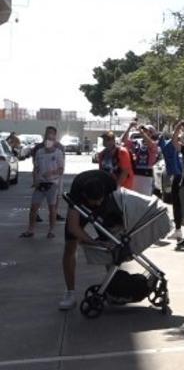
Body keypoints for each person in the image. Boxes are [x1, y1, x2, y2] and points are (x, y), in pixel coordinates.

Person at [58, 170, 122, 310]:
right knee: (70, 245)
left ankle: (114, 288)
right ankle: (70, 293)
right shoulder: (77, 192)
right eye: (95, 201)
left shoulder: (109, 184)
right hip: (81, 207)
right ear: (85, 196)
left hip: (107, 209)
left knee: (111, 245)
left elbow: (118, 206)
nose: (97, 204)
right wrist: (94, 241)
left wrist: (107, 237)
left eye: (100, 200)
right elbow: (73, 227)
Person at [21, 126, 65, 239]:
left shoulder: (59, 152)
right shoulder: (39, 151)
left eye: (51, 136)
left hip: (52, 184)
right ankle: (30, 230)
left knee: (52, 208)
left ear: (54, 138)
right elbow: (35, 168)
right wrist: (35, 180)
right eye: (47, 135)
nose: (48, 139)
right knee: (33, 207)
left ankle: (51, 231)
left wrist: (52, 172)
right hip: (40, 184)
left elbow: (61, 169)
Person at [158, 122, 184, 240]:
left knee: (179, 205)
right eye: (178, 139)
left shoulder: (171, 148)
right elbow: (174, 139)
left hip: (180, 177)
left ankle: (179, 229)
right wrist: (177, 127)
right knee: (177, 205)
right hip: (177, 177)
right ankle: (178, 229)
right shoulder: (168, 147)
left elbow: (177, 140)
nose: (180, 141)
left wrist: (180, 130)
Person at [122, 122, 159, 196]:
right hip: (135, 173)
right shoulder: (137, 142)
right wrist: (129, 127)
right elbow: (124, 140)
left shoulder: (154, 144)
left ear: (151, 133)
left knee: (145, 199)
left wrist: (141, 132)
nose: (143, 131)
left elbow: (150, 144)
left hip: (146, 175)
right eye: (143, 130)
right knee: (134, 198)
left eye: (146, 130)